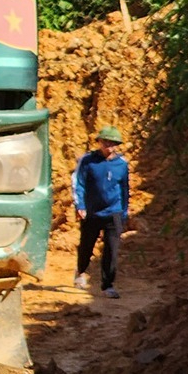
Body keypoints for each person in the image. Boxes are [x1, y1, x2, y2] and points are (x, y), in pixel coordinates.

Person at [72, 125, 130, 298]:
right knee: (87, 245)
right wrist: (80, 206)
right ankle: (81, 271)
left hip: (114, 212)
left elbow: (125, 189)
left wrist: (124, 212)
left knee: (111, 250)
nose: (108, 146)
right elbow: (79, 183)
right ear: (99, 142)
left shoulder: (122, 164)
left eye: (112, 143)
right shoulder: (88, 161)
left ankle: (108, 285)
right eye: (105, 142)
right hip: (92, 211)